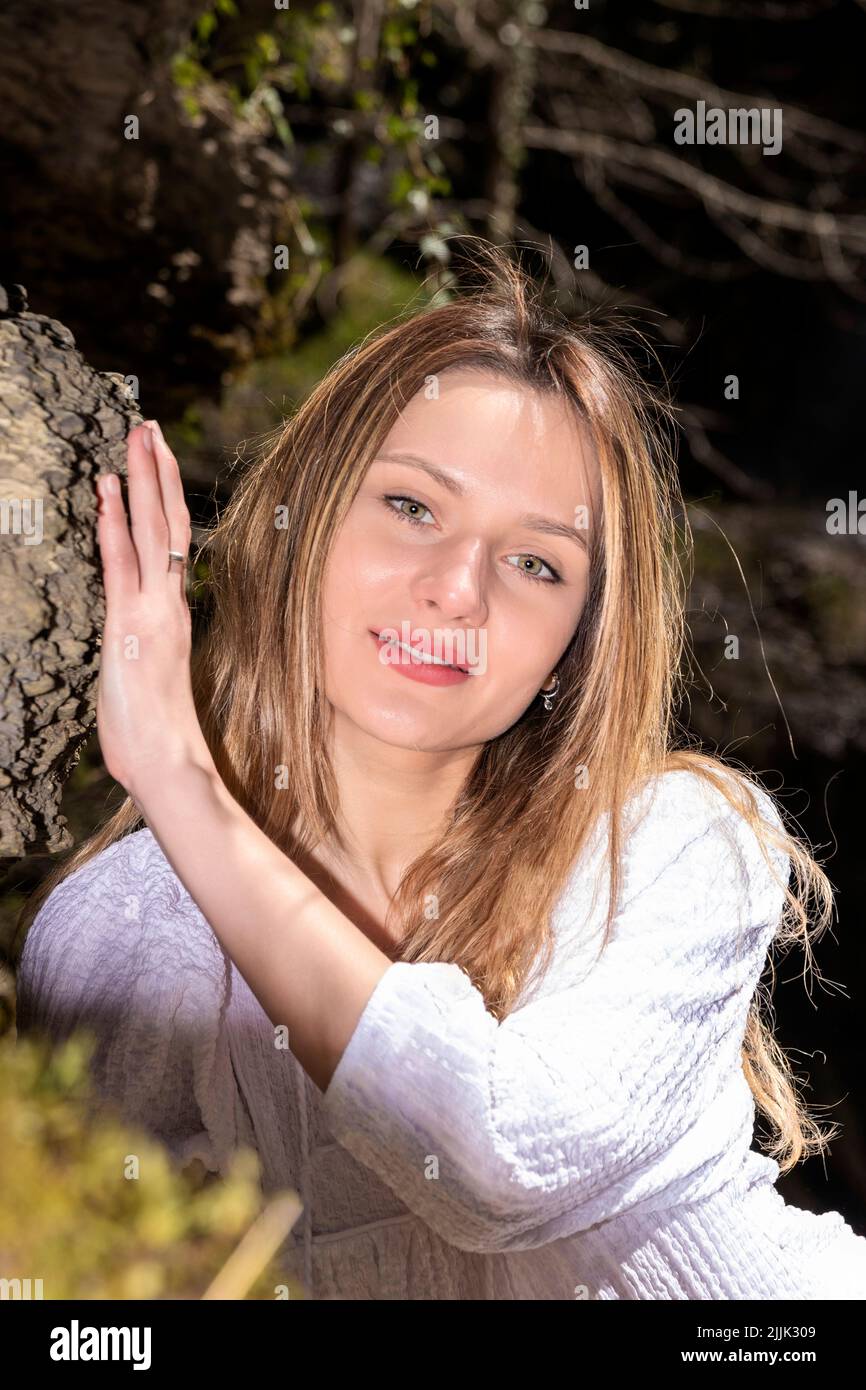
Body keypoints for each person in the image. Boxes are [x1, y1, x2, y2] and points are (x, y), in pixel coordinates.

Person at [14, 241, 866, 1300]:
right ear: (305, 520)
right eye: (411, 506)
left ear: (575, 642)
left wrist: (179, 779)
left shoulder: (670, 840)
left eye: (534, 562)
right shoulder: (128, 934)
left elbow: (495, 1166)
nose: (457, 591)